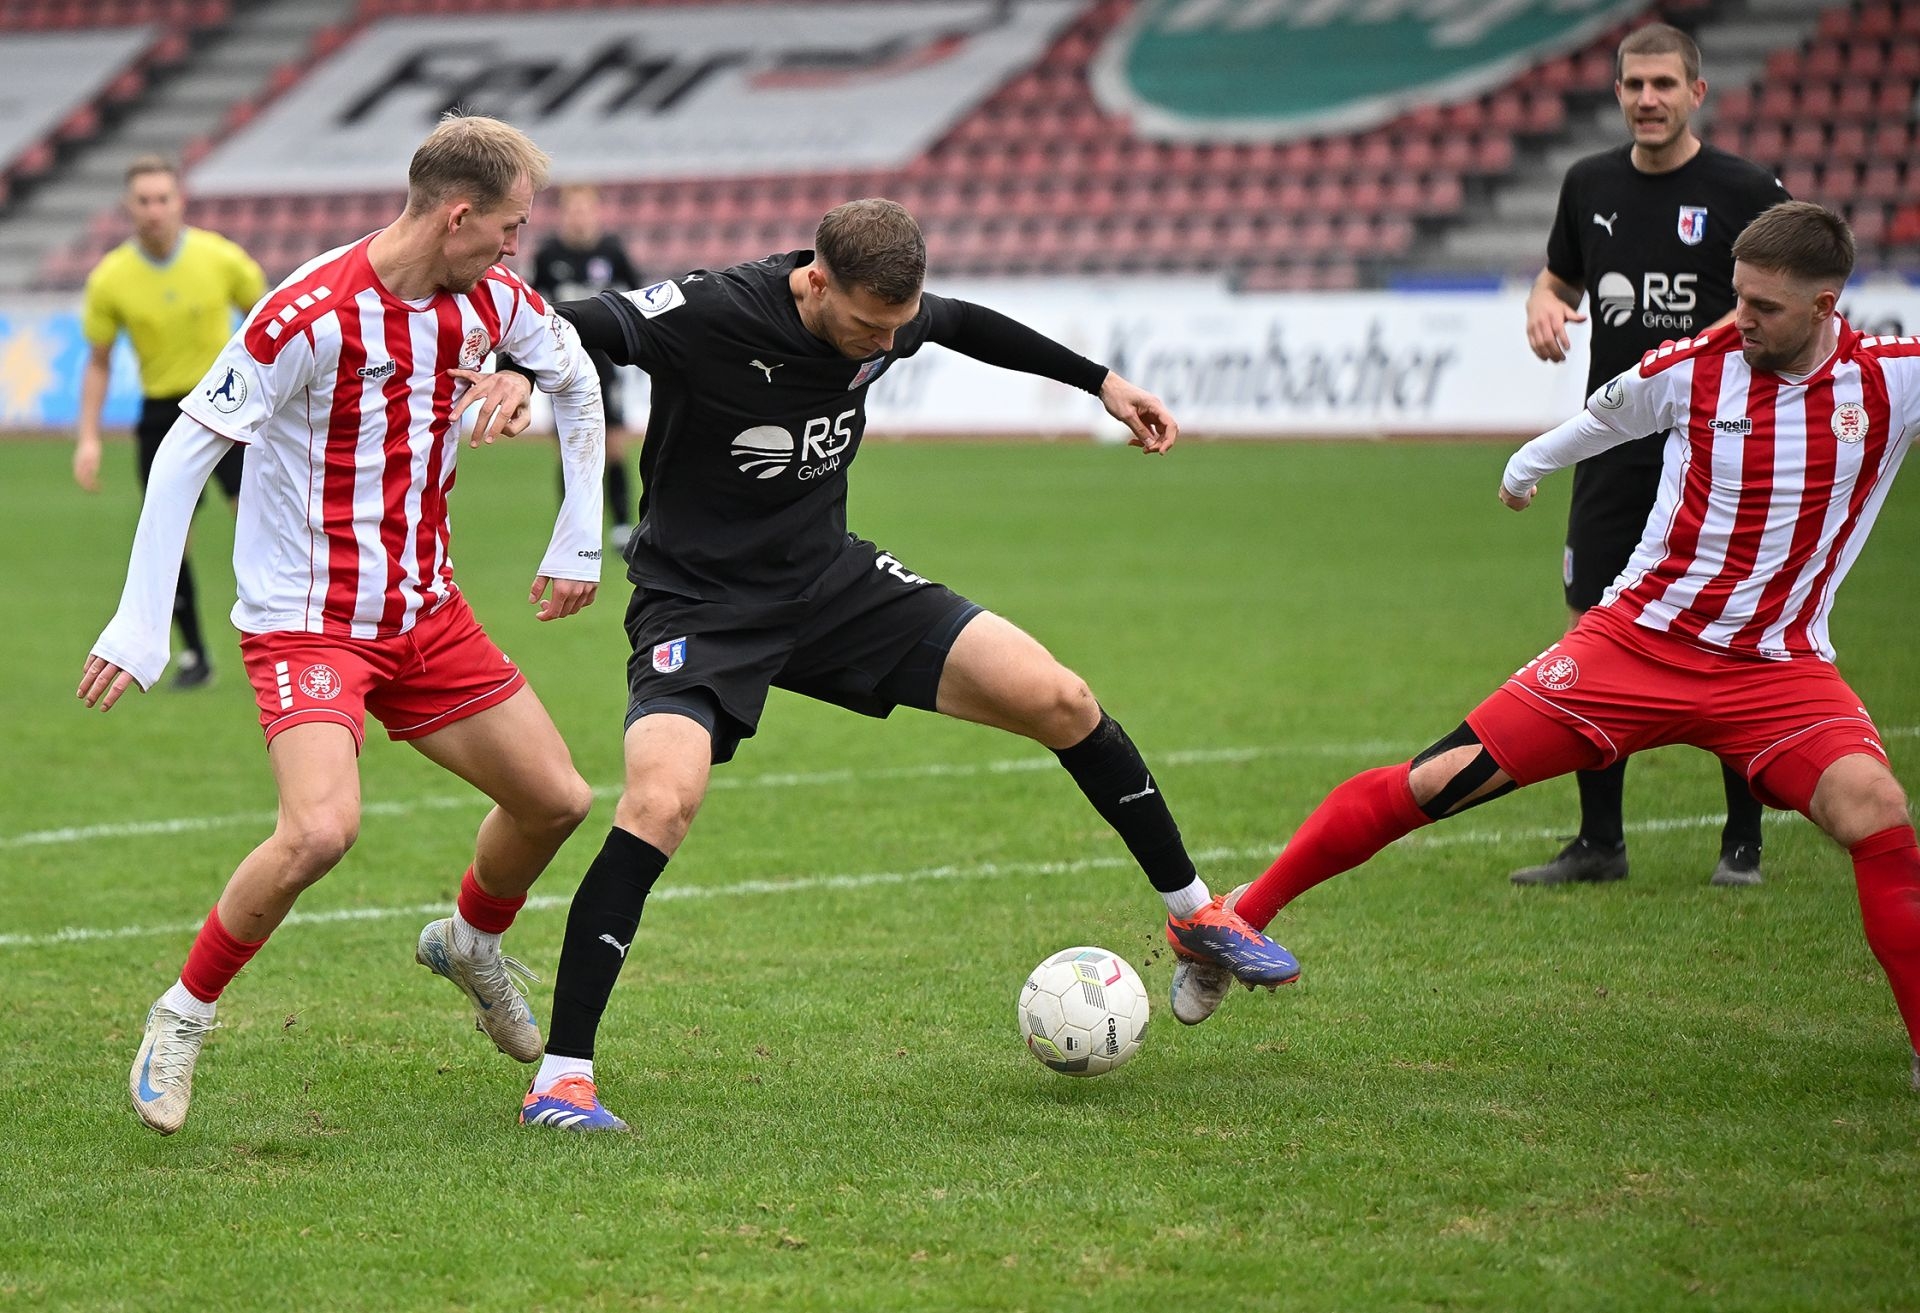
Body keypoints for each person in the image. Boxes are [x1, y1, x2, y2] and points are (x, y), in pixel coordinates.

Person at [484, 198, 1300, 1129]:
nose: (885, 341)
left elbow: (966, 324)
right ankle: (562, 1078)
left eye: (896, 325)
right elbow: (582, 320)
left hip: (830, 583)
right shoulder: (716, 309)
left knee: (1060, 696)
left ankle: (1194, 911)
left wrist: (1102, 383)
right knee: (661, 801)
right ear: (815, 281)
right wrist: (518, 367)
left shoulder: (891, 314)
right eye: (870, 325)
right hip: (702, 604)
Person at [1171, 202, 1920, 1095]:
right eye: (1737, 296)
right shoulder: (1696, 366)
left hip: (1779, 671)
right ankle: (1230, 922)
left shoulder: (1891, 380)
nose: (1740, 318)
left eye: (1764, 306)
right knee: (1436, 780)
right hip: (1634, 648)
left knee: (1875, 807)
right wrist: (1525, 465)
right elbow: (1605, 416)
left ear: (1826, 305)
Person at [77, 114, 608, 1135]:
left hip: (426, 611)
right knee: (321, 829)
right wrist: (142, 624)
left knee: (555, 798)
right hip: (307, 623)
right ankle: (183, 1012)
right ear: (457, 217)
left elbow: (576, 373)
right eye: (508, 227)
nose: (517, 247)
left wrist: (577, 537)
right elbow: (188, 448)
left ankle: (470, 941)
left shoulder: (490, 299)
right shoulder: (308, 311)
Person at [1519, 22, 1791, 887]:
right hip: (1614, 444)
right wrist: (1542, 303)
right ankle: (1600, 842)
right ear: (1618, 93)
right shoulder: (1588, 183)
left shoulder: (1746, 190)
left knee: (1731, 633)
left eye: (1664, 84)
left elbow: (1792, 296)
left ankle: (1742, 842)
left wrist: (1708, 352)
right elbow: (1559, 276)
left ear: (1696, 93)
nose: (1647, 99)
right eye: (1634, 85)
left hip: (1720, 447)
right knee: (1590, 628)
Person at [76, 156, 268, 689]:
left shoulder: (221, 258)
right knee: (170, 536)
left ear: (179, 202)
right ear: (128, 207)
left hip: (229, 401)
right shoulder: (110, 278)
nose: (154, 210)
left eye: (163, 198)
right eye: (144, 200)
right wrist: (88, 438)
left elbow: (271, 325)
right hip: (162, 414)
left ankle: (281, 633)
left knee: (258, 519)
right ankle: (194, 655)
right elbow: (98, 362)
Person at [531, 183, 645, 550]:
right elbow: (535, 303)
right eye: (573, 209)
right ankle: (573, 529)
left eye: (585, 209)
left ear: (595, 212)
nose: (579, 216)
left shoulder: (611, 251)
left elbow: (638, 297)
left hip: (605, 362)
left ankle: (622, 525)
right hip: (564, 363)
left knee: (614, 445)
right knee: (569, 450)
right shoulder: (549, 255)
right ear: (564, 213)